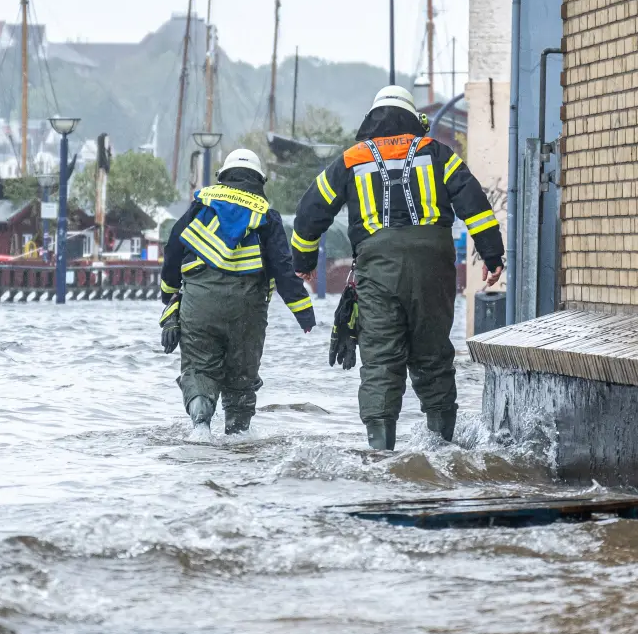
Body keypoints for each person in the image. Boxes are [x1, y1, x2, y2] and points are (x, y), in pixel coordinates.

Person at [291, 85, 504, 449]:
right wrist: (491, 254)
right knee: (433, 353)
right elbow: (475, 203)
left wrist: (304, 262)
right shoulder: (437, 153)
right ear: (411, 118)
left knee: (380, 358)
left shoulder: (350, 160)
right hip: (433, 266)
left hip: (378, 270)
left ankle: (381, 456)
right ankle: (443, 452)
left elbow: (311, 212)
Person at [160, 148, 316, 436]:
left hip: (199, 307)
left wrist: (168, 295)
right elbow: (284, 270)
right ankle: (239, 442)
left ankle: (200, 427)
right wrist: (304, 314)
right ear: (259, 181)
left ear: (223, 177)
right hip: (248, 311)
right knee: (241, 381)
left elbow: (173, 247)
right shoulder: (267, 216)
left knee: (199, 369)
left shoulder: (203, 205)